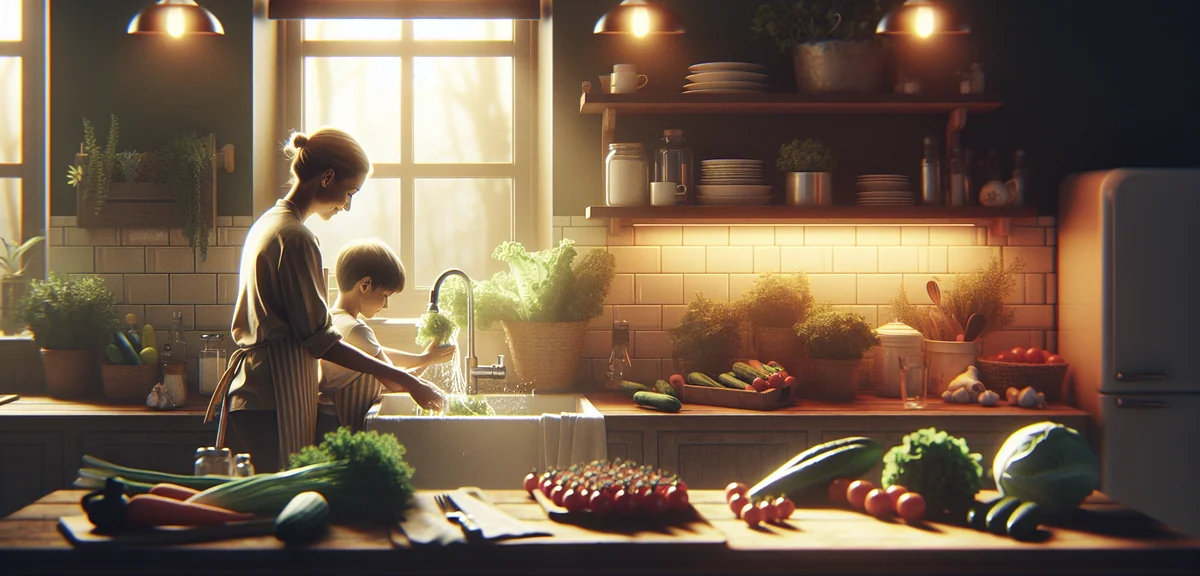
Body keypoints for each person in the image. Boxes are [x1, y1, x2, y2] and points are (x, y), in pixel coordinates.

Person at [204, 127, 446, 473]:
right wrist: (408, 380)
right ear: (327, 177)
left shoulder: (268, 224)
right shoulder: (297, 237)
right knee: (282, 496)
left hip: (252, 393)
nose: (347, 205)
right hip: (275, 395)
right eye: (349, 192)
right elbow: (321, 340)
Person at [318, 238, 456, 432]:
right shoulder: (356, 330)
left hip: (325, 426)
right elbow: (396, 383)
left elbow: (380, 355)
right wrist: (424, 388)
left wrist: (425, 358)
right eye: (385, 295)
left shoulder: (336, 320)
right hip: (342, 428)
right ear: (365, 285)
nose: (385, 305)